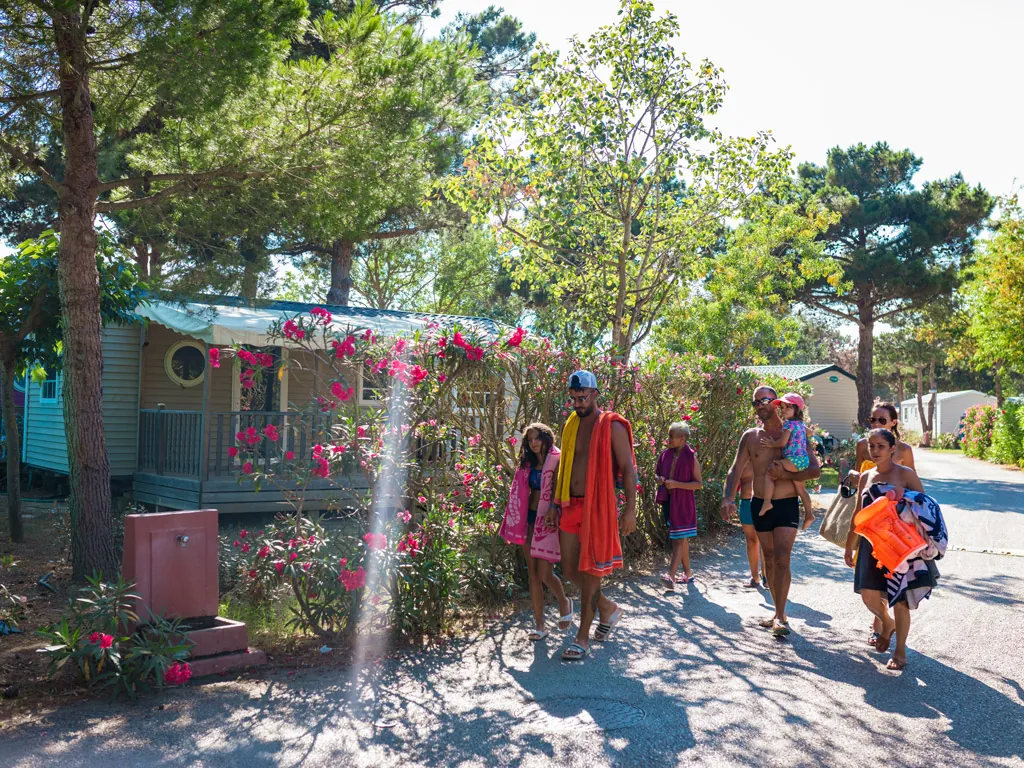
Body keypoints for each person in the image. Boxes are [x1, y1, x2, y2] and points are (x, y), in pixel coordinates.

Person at [550, 370, 637, 661]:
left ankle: (582, 637)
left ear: (595, 394)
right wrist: (553, 502)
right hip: (568, 504)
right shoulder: (572, 423)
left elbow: (628, 468)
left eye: (582, 397)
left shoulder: (611, 425)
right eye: (573, 398)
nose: (577, 403)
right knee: (570, 569)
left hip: (596, 506)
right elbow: (565, 466)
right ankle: (608, 607)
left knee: (589, 573)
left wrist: (630, 509)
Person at [721, 385, 821, 636]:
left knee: (782, 558)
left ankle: (780, 616)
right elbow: (735, 469)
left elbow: (814, 471)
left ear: (777, 402)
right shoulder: (750, 436)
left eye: (764, 400)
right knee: (769, 558)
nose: (759, 406)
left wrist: (785, 473)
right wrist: (727, 497)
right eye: (755, 402)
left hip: (786, 504)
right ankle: (779, 612)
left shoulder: (795, 432)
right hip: (759, 504)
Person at [844, 428, 933, 671]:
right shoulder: (866, 476)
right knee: (868, 595)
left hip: (899, 546)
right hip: (870, 545)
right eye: (872, 446)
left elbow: (925, 508)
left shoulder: (905, 474)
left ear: (893, 449)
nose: (875, 451)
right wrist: (849, 546)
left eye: (881, 446)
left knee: (900, 599)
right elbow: (857, 514)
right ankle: (886, 622)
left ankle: (900, 651)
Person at [848, 401, 915, 646]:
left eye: (882, 420)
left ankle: (893, 642)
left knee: (895, 588)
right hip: (869, 529)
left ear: (894, 422)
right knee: (869, 588)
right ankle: (883, 622)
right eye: (873, 420)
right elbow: (859, 485)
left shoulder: (904, 452)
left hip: (897, 532)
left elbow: (917, 495)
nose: (876, 424)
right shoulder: (863, 448)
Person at [498, 423, 573, 641]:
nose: (533, 442)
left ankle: (563, 601)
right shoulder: (527, 464)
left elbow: (561, 489)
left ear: (546, 437)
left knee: (545, 573)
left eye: (537, 438)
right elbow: (519, 492)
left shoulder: (557, 459)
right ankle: (540, 624)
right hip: (527, 520)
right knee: (532, 574)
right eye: (530, 439)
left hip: (549, 519)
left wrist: (555, 510)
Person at [654, 422, 704, 588]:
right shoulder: (665, 455)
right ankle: (688, 574)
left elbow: (698, 484)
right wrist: (660, 480)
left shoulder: (691, 458)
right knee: (680, 539)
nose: (668, 440)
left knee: (679, 539)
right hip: (669, 503)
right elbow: (657, 474)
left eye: (671, 437)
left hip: (683, 504)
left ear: (682, 439)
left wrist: (676, 484)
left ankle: (671, 575)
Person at [758, 392, 815, 530]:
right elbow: (810, 433)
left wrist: (772, 444)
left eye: (787, 407)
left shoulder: (788, 425)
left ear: (797, 409)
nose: (783, 410)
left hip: (793, 460)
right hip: (803, 460)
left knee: (770, 471)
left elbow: (782, 442)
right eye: (782, 407)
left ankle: (767, 502)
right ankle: (809, 514)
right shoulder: (800, 424)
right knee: (800, 489)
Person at [730, 464, 768, 589]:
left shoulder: (768, 454)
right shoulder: (743, 459)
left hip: (764, 503)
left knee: (765, 540)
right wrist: (729, 500)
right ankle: (755, 577)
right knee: (751, 541)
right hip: (746, 503)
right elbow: (732, 478)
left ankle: (766, 575)